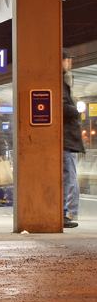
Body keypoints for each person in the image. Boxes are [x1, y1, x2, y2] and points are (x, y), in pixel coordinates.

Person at [63, 49, 84, 228]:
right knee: (69, 177)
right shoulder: (60, 82)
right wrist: (75, 109)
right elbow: (62, 107)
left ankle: (66, 212)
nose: (70, 63)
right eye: (68, 60)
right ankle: (67, 213)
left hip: (67, 140)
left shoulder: (65, 81)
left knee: (68, 176)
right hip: (67, 139)